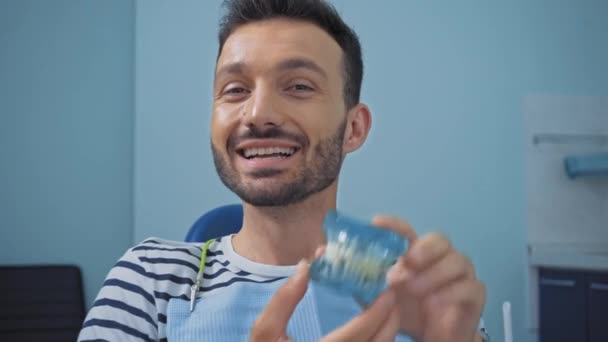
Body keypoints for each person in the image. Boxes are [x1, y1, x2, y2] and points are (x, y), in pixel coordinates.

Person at [78, 0, 487, 341]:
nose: (258, 114)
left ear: (354, 128)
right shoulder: (150, 278)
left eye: (299, 86)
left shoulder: (415, 290)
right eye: (235, 90)